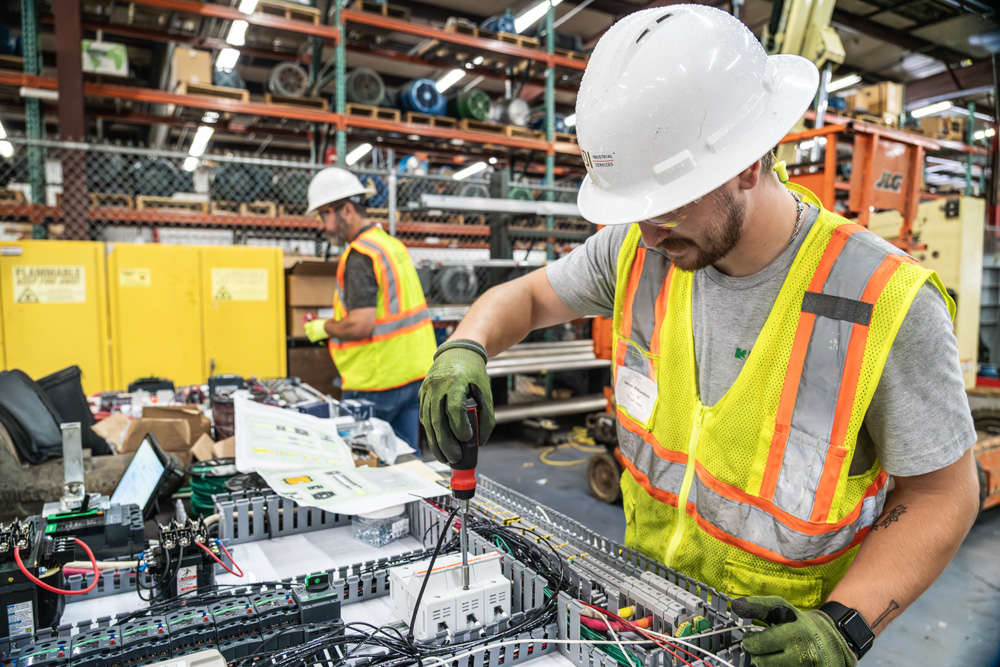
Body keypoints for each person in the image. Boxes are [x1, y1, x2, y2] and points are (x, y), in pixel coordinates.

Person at [418, 6, 980, 666]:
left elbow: (944, 494)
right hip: (644, 619)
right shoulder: (639, 250)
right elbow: (529, 296)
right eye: (636, 210)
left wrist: (843, 626)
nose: (649, 232)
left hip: (777, 646)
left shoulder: (883, 300)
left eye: (670, 204)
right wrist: (467, 346)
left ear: (748, 164)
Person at [303, 167, 436, 451]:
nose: (322, 225)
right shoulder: (390, 245)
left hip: (377, 382)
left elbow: (360, 324)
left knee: (365, 462)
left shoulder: (360, 255)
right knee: (404, 457)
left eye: (324, 215)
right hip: (414, 374)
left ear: (347, 210)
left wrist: (322, 327)